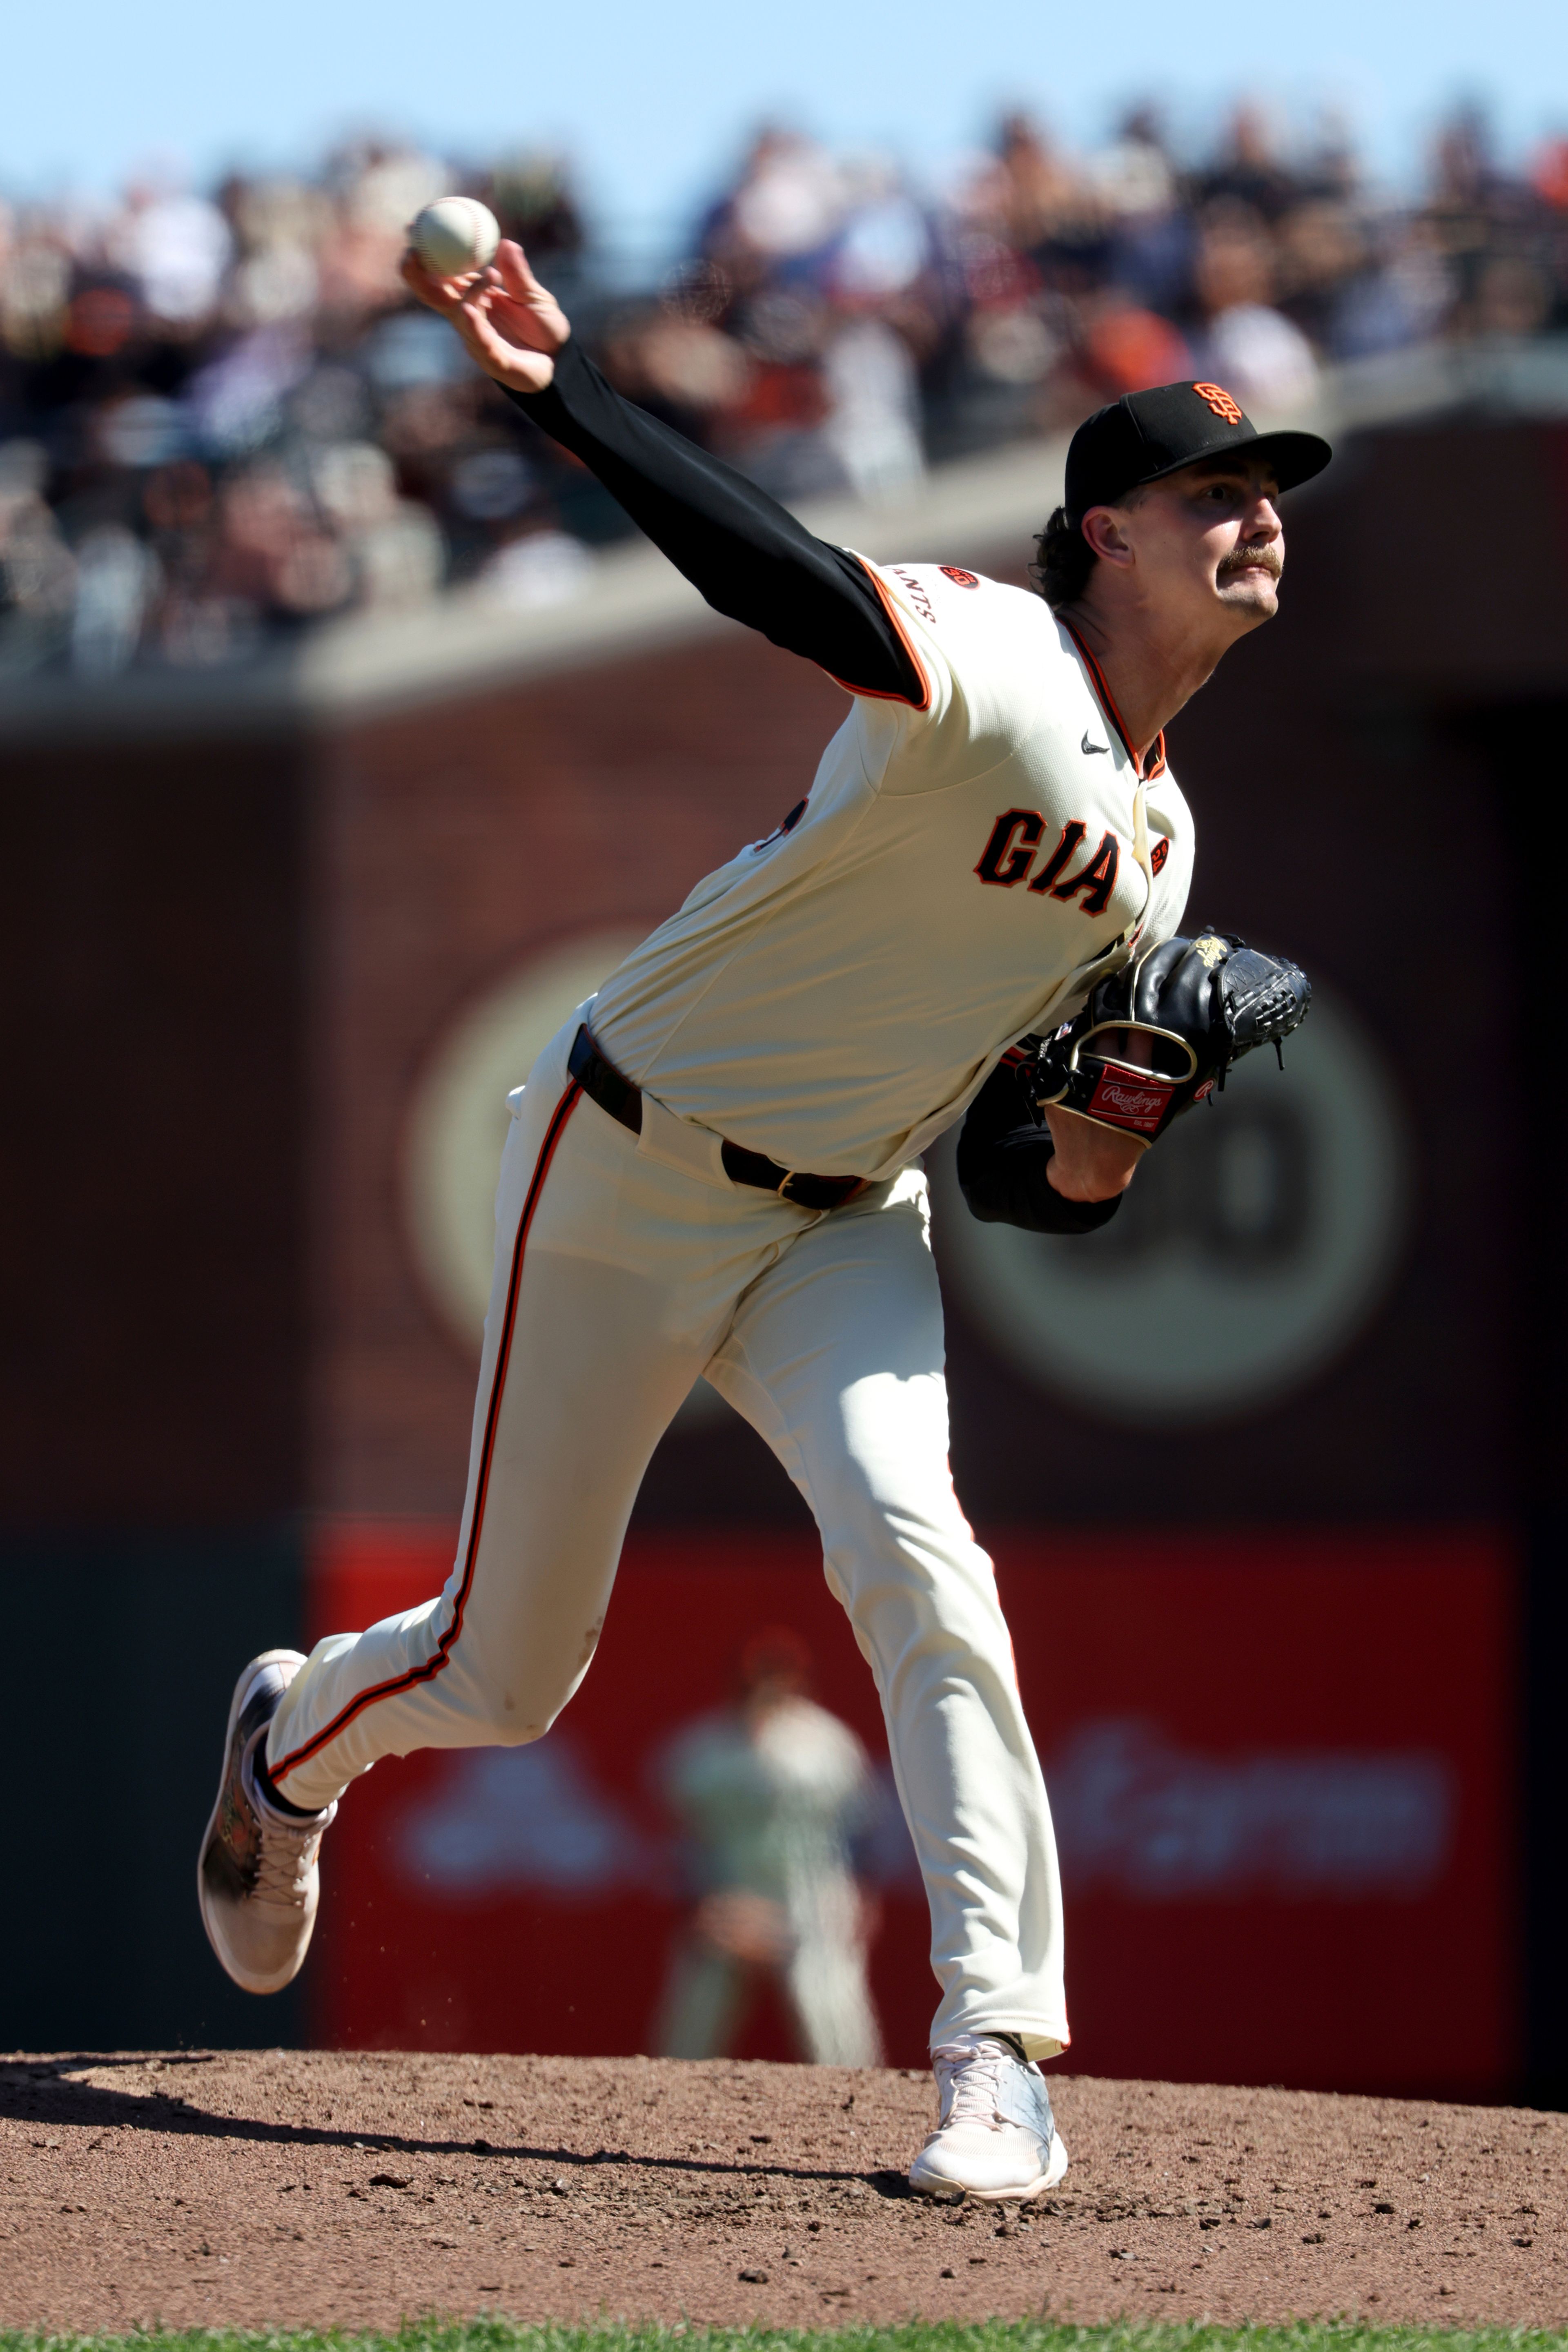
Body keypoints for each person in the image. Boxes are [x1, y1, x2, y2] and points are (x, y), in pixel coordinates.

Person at [196, 234, 1330, 2203]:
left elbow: (1025, 1183)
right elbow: (768, 573)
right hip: (626, 1151)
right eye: (1213, 496)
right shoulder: (990, 652)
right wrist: (560, 391)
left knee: (927, 1565)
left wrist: (1124, 1121)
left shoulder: (1161, 851)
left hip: (843, 1220)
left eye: (1269, 500)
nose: (1256, 525)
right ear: (1102, 534)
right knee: (503, 1671)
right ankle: (291, 1740)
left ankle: (999, 2056)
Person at [654, 1627, 882, 2068]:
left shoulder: (830, 1745)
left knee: (836, 2030)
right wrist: (701, 1906)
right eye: (758, 1675)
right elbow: (682, 1843)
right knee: (692, 2028)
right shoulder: (701, 1752)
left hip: (813, 1896)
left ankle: (857, 2122)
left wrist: (861, 1896)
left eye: (779, 1674)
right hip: (731, 1893)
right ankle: (657, 2117)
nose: (768, 1686)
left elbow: (859, 1833)